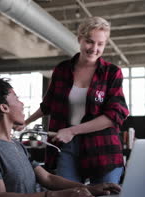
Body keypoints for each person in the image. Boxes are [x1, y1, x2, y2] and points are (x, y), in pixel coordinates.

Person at [0, 77, 121, 197]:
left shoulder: (16, 144)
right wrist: (52, 196)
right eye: (17, 98)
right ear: (4, 107)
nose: (22, 103)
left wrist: (89, 188)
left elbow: (47, 178)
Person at [16, 17, 129, 184]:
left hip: (102, 147)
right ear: (79, 39)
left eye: (100, 44)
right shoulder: (62, 70)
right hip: (66, 146)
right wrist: (25, 122)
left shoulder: (112, 72)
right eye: (89, 42)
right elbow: (48, 104)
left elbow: (115, 115)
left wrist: (72, 131)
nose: (94, 48)